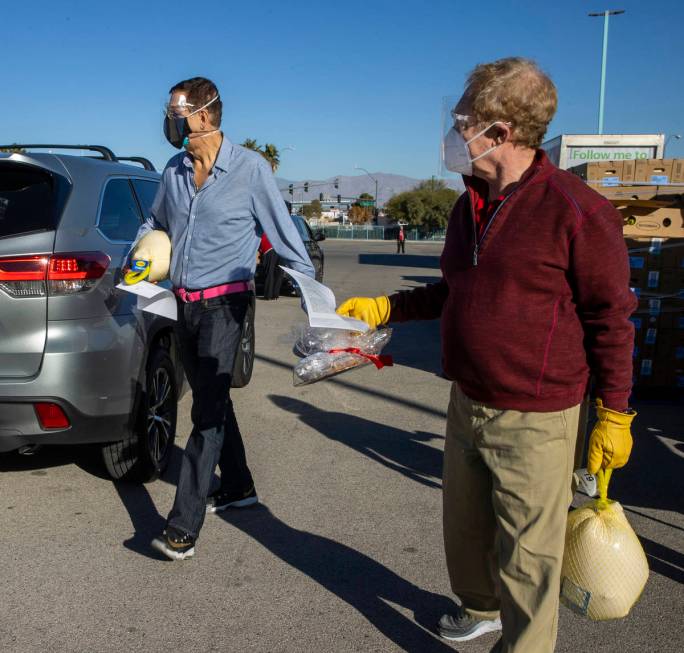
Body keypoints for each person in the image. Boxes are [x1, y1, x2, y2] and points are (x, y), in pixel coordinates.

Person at [337, 58, 637, 653]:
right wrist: (385, 309)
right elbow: (457, 289)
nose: (454, 133)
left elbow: (612, 319)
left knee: (528, 561)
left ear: (500, 131)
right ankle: (480, 610)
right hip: (466, 398)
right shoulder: (467, 204)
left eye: (463, 121)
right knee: (466, 533)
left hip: (537, 416)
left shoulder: (578, 211)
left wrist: (615, 412)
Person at [132, 77, 314, 561]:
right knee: (213, 399)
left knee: (206, 412)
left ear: (205, 115)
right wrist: (141, 253)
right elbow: (156, 223)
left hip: (227, 306)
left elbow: (282, 231)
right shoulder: (173, 170)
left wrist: (314, 293)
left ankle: (182, 526)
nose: (170, 121)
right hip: (183, 303)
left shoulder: (250, 170)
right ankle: (238, 486)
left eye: (177, 112)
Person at [259, 232, 284, 300]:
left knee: (270, 273)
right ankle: (275, 294)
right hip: (281, 249)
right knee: (279, 273)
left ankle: (268, 295)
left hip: (268, 249)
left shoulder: (263, 226)